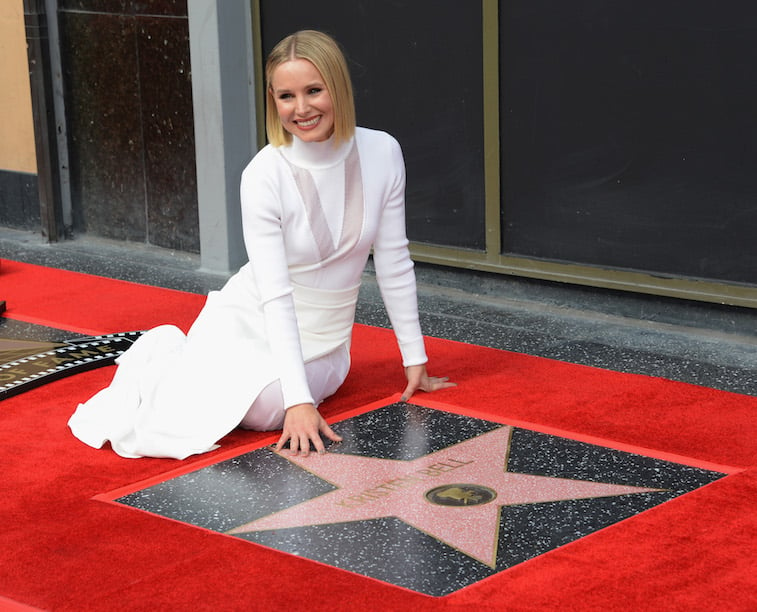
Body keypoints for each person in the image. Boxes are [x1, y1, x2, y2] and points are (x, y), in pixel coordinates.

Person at [68, 30, 454, 460]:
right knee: (269, 409)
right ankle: (178, 359)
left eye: (314, 91)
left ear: (338, 88)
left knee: (283, 399)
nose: (302, 108)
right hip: (250, 320)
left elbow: (394, 259)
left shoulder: (382, 151)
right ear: (273, 100)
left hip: (327, 339)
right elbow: (275, 293)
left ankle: (263, 382)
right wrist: (298, 401)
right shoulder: (263, 174)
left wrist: (414, 358)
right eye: (286, 96)